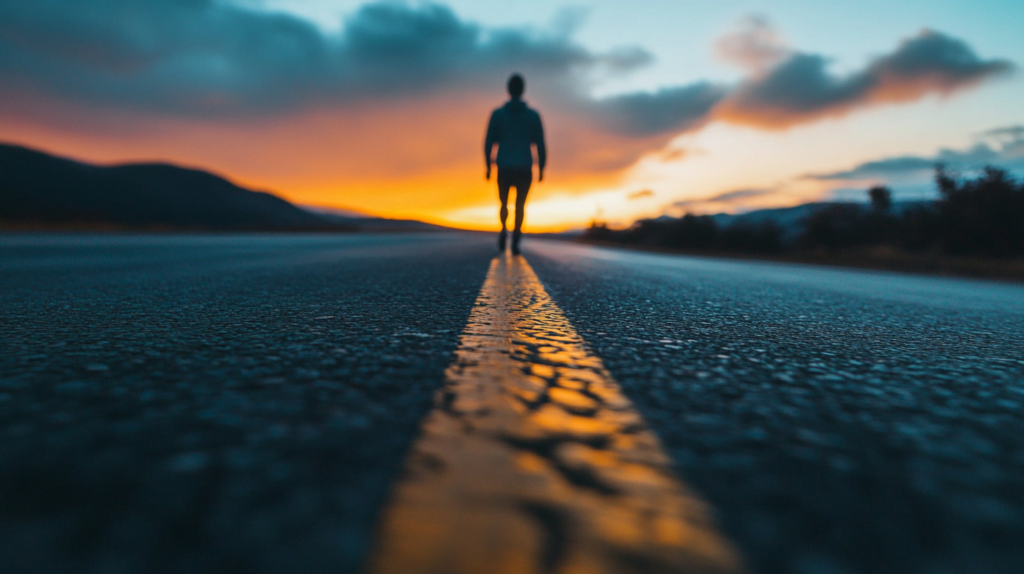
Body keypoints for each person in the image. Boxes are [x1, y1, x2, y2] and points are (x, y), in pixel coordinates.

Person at [485, 73, 546, 255]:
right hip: (525, 167)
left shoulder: (497, 115)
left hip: (503, 166)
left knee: (504, 203)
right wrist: (541, 167)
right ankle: (516, 237)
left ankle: (504, 228)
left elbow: (489, 142)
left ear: (508, 90)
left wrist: (488, 166)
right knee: (520, 205)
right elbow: (541, 144)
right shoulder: (533, 116)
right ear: (523, 90)